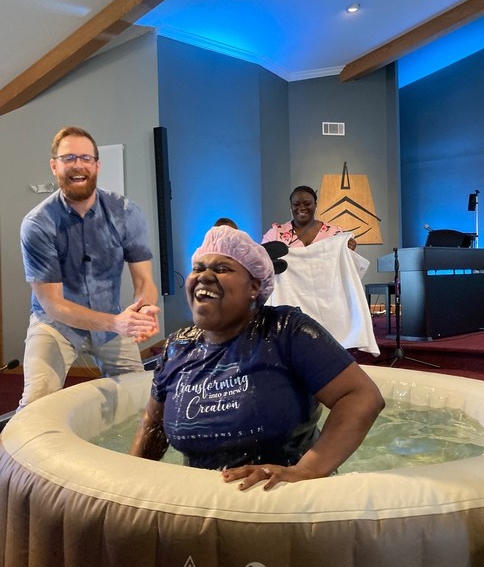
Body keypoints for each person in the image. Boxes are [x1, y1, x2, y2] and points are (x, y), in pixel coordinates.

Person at [130, 225, 384, 490]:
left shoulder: (287, 331)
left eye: (221, 269)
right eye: (198, 268)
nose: (204, 276)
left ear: (254, 286)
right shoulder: (178, 348)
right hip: (204, 501)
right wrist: (130, 484)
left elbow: (362, 396)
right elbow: (153, 426)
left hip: (284, 497)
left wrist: (305, 470)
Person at [19, 126, 161, 409]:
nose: (78, 165)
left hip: (111, 322)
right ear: (54, 166)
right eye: (68, 158)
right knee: (35, 403)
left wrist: (144, 311)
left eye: (86, 158)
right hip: (55, 325)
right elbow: (53, 305)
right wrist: (116, 322)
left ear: (97, 165)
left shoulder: (126, 213)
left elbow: (144, 282)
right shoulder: (37, 224)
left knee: (143, 398)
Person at [262, 185, 357, 250]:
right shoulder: (275, 234)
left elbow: (345, 265)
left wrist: (348, 249)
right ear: (291, 206)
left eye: (307, 204)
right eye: (296, 204)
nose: (302, 208)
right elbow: (263, 262)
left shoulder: (334, 233)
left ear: (315, 205)